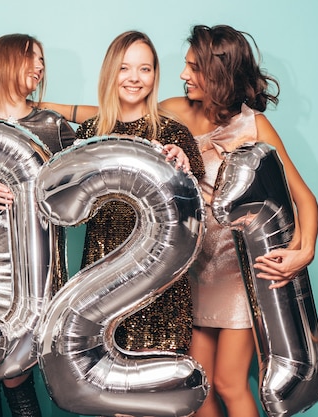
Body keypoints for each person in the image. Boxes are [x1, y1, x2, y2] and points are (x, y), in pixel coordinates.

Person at [154, 25, 318, 417]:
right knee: (198, 387)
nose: (183, 76)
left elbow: (305, 199)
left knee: (229, 381)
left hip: (238, 274)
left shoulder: (255, 126)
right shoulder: (175, 111)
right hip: (193, 269)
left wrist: (305, 252)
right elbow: (113, 111)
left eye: (193, 68)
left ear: (218, 73)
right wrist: (32, 112)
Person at [0, 33, 75, 417]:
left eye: (42, 60)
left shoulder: (51, 124)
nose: (39, 67)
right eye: (31, 59)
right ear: (7, 63)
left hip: (32, 263)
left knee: (18, 368)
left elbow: (79, 183)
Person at [75, 30, 204, 358]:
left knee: (158, 394)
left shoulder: (173, 134)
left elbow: (198, 213)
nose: (135, 78)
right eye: (124, 68)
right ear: (110, 73)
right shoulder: (90, 134)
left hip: (160, 289)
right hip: (102, 285)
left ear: (155, 75)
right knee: (110, 396)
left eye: (144, 69)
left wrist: (184, 171)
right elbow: (69, 211)